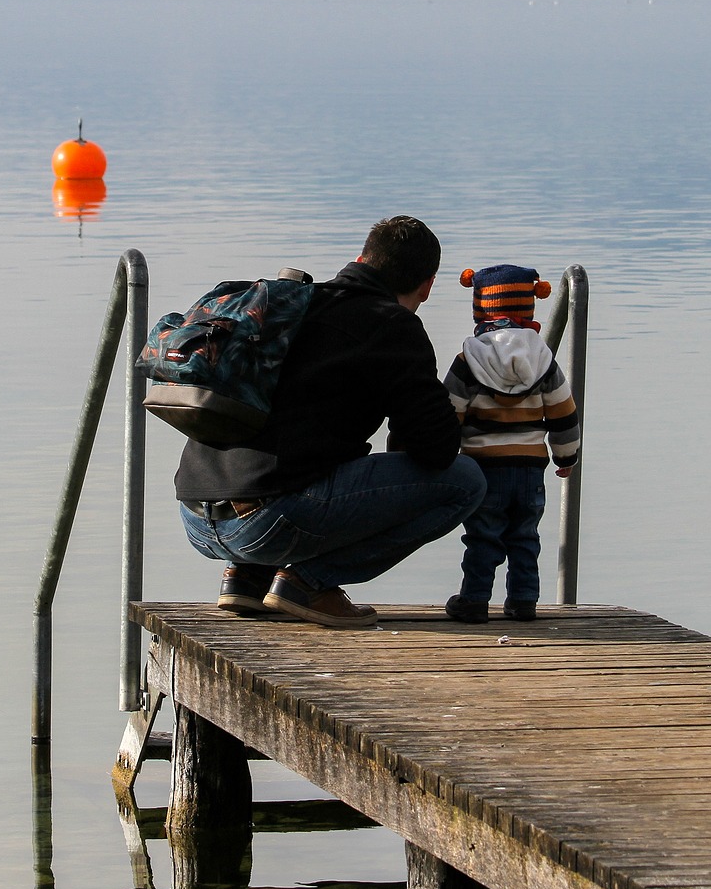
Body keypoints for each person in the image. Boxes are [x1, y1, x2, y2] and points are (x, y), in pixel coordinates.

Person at [176, 216, 487, 628]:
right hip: (269, 523)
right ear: (427, 286)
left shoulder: (293, 304)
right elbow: (438, 450)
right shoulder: (393, 326)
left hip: (195, 516)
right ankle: (308, 582)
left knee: (296, 460)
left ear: (360, 258)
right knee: (465, 481)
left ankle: (246, 579)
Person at [440, 264, 579, 624]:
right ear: (529, 306)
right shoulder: (543, 360)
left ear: (480, 307)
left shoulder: (468, 360)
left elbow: (448, 413)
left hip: (483, 468)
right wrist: (567, 456)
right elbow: (564, 413)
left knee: (483, 536)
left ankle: (474, 600)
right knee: (525, 536)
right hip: (530, 467)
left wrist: (444, 456)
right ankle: (522, 601)